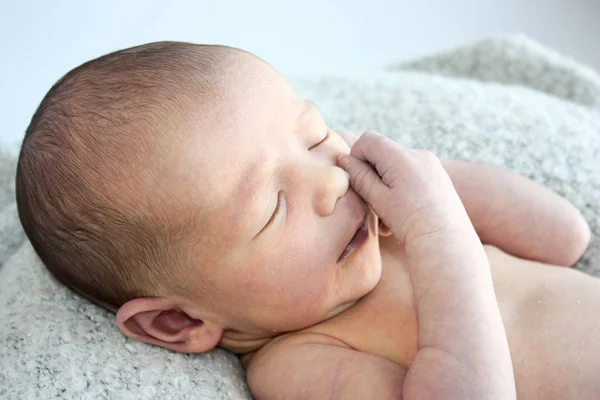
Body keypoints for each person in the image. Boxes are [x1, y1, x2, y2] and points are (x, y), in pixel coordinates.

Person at [16, 41, 594, 399]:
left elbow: (562, 236)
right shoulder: (297, 362)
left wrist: (429, 183)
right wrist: (439, 234)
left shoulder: (393, 219)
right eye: (272, 207)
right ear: (176, 322)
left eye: (315, 136)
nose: (331, 180)